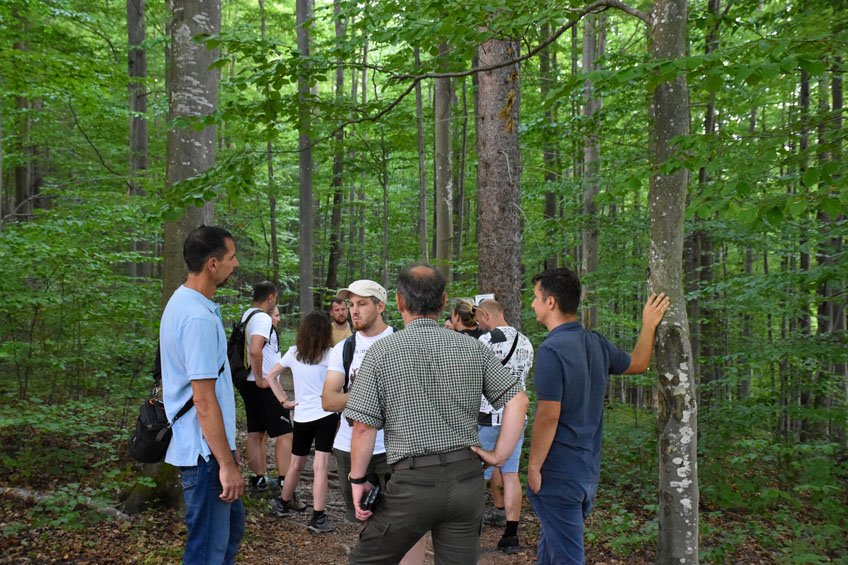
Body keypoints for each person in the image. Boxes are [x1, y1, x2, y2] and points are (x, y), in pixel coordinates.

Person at [344, 264, 529, 564]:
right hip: (465, 484)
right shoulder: (473, 349)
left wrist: (357, 480)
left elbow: (364, 428)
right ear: (443, 302)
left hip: (412, 486)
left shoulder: (382, 352)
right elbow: (518, 401)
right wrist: (497, 456)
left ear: (400, 302)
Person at [526, 267, 670, 564]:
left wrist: (534, 467)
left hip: (558, 473)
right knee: (551, 550)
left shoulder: (552, 350)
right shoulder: (597, 343)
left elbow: (548, 416)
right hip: (586, 473)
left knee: (566, 557)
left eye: (535, 297)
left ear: (550, 302)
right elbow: (639, 363)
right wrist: (648, 325)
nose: (532, 304)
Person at [321, 280, 426, 564]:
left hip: (397, 448)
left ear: (381, 306)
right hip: (349, 446)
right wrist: (372, 395)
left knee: (409, 524)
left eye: (362, 304)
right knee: (365, 519)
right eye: (351, 304)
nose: (354, 311)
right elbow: (329, 400)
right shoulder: (343, 348)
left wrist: (355, 396)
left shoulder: (403, 343)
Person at [159, 225, 244, 564]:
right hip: (205, 453)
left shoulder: (188, 303)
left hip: (208, 450)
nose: (235, 264)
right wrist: (226, 463)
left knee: (229, 533)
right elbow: (203, 400)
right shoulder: (196, 317)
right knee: (207, 549)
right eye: (231, 257)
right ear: (212, 264)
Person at [265, 310, 339, 533]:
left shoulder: (294, 353)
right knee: (321, 465)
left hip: (302, 416)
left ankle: (283, 503)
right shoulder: (332, 355)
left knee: (297, 463)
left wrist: (283, 401)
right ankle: (318, 517)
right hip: (326, 414)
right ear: (326, 331)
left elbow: (270, 376)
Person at [475, 298, 534, 554]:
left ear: (486, 315)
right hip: (516, 418)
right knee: (510, 473)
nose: (478, 324)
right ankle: (511, 534)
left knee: (476, 474)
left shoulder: (486, 341)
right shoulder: (526, 342)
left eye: (479, 319)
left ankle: (471, 529)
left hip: (488, 416)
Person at [237, 282, 296, 499]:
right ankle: (284, 483)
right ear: (271, 297)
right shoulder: (262, 318)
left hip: (247, 383)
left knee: (255, 432)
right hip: (261, 385)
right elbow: (255, 351)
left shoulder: (247, 315)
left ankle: (258, 480)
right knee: (285, 432)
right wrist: (263, 379)